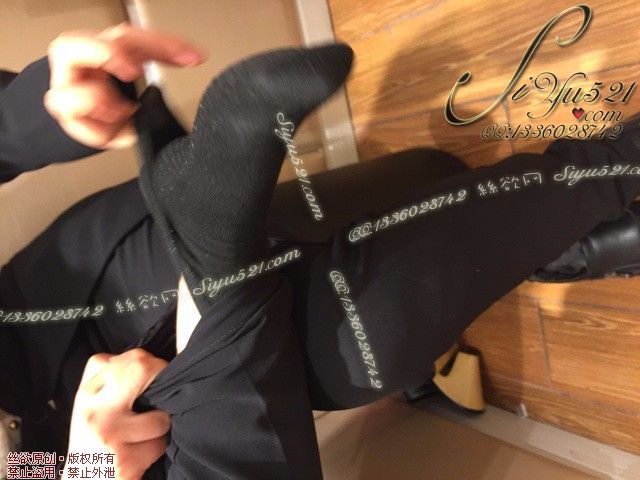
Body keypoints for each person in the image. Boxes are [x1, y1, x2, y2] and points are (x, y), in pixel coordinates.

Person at [2, 23, 640, 479]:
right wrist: (78, 473)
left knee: (428, 176)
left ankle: (211, 245)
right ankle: (615, 168)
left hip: (52, 303)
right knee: (348, 337)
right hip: (112, 442)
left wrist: (30, 117)